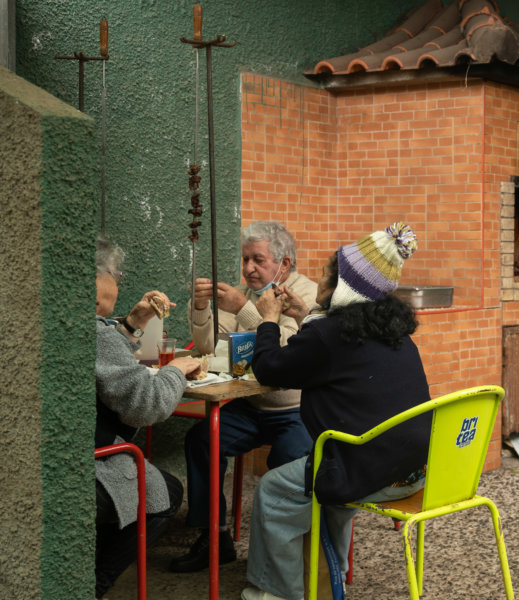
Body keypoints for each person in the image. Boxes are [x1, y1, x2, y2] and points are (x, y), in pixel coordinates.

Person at [240, 223, 432, 600]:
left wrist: (266, 319)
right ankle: (333, 576)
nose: (321, 287)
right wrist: (308, 313)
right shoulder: (392, 331)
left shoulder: (330, 335)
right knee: (323, 482)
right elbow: (324, 353)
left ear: (342, 288)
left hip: (365, 471)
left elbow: (270, 368)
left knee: (272, 491)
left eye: (326, 280)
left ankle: (274, 593)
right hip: (415, 471)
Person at [170, 221, 317, 573]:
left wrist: (243, 309)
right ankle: (214, 537)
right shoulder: (244, 294)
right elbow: (210, 348)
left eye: (258, 260)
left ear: (284, 263)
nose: (248, 268)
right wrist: (202, 309)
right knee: (203, 440)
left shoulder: (304, 293)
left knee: (286, 460)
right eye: (245, 259)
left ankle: (284, 551)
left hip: (299, 410)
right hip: (252, 406)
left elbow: (286, 353)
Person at [94, 239, 201, 598]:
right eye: (116, 275)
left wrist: (133, 323)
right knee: (166, 493)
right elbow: (146, 403)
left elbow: (104, 357)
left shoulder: (72, 323)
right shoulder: (94, 332)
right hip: (92, 461)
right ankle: (93, 583)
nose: (118, 283)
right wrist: (179, 371)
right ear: (95, 281)